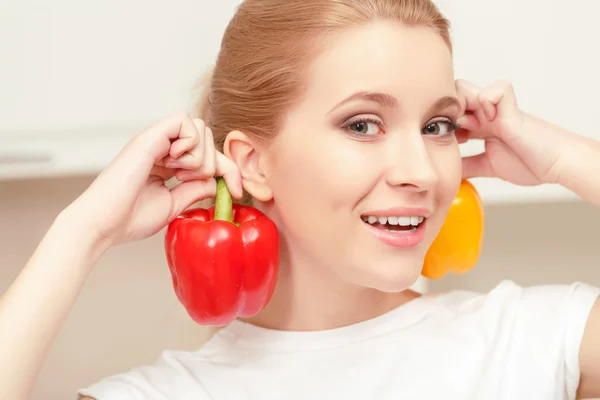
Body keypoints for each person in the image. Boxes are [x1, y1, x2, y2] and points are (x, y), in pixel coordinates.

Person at [1, 0, 599, 398]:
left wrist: (564, 159)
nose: (421, 171)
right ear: (254, 164)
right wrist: (83, 231)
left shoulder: (529, 342)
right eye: (362, 125)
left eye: (437, 126)